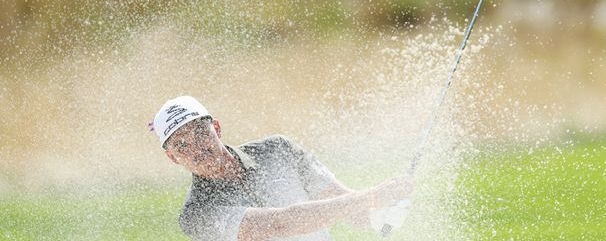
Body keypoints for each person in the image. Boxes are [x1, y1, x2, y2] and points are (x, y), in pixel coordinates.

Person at [150, 95, 412, 241]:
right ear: (173, 158)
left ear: (216, 128)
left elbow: (349, 209)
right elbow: (280, 224)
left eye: (199, 133)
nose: (196, 148)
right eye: (182, 146)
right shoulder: (197, 214)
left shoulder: (277, 150)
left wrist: (381, 213)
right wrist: (371, 197)